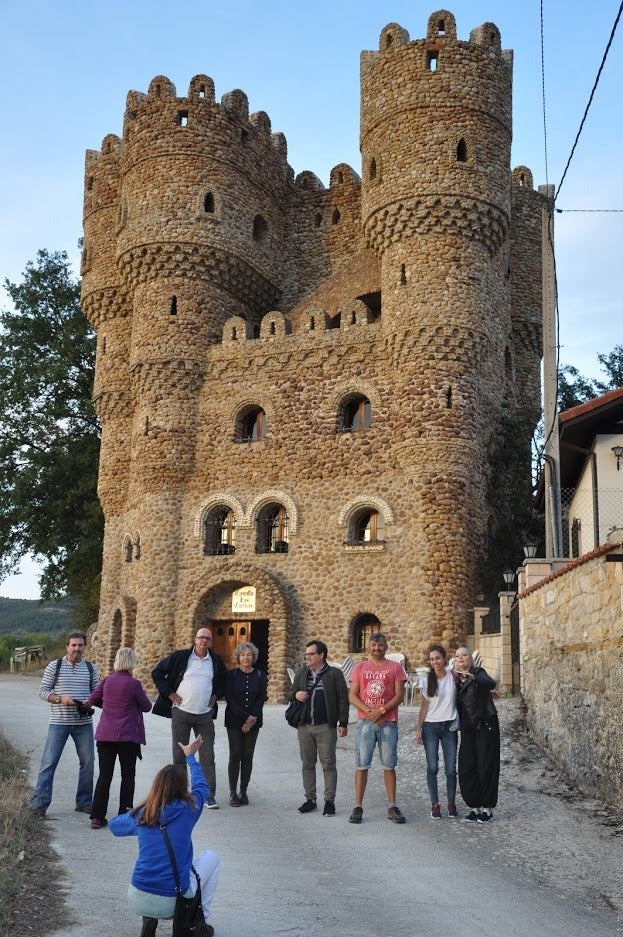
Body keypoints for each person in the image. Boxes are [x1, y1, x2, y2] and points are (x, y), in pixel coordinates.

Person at [109, 735, 220, 937]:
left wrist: (137, 814)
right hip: (173, 903)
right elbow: (202, 788)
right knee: (212, 857)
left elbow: (114, 827)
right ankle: (196, 924)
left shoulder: (144, 814)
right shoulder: (189, 809)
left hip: (138, 897)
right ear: (181, 787)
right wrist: (190, 757)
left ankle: (149, 919)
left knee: (155, 864)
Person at [152, 628, 227, 808]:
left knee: (207, 755)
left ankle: (208, 796)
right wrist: (170, 694)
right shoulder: (181, 657)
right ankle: (180, 794)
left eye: (207, 638)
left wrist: (216, 696)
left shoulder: (215, 661)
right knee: (179, 756)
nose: (203, 641)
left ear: (211, 642)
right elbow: (157, 673)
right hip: (181, 713)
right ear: (195, 639)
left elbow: (225, 682)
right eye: (200, 638)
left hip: (204, 715)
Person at [31, 630, 100, 817]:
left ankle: (84, 803)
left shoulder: (91, 668)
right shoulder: (55, 666)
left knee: (88, 763)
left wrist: (90, 702)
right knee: (48, 762)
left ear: (85, 647)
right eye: (73, 645)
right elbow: (43, 692)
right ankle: (39, 804)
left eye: (80, 645)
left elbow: (97, 694)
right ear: (67, 647)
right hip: (59, 722)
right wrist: (61, 699)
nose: (77, 648)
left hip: (83, 722)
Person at [83, 647, 152, 829]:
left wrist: (107, 704)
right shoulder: (134, 684)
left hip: (106, 735)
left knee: (104, 776)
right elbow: (146, 707)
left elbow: (92, 699)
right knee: (128, 776)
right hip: (127, 736)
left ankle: (97, 817)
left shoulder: (107, 680)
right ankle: (124, 815)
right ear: (131, 662)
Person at [348, 632, 407, 824]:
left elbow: (399, 695)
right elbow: (353, 695)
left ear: (386, 647)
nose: (376, 648)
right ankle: (358, 806)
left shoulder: (395, 668)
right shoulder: (360, 668)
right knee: (362, 764)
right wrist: (370, 713)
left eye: (380, 645)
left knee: (389, 765)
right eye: (373, 645)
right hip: (365, 722)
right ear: (368, 646)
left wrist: (381, 711)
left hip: (388, 722)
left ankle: (392, 806)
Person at [289, 639, 349, 816]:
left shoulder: (334, 674)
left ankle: (329, 801)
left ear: (321, 655)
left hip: (326, 727)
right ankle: (310, 799)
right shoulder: (301, 673)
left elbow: (342, 699)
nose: (307, 657)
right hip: (304, 727)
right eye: (306, 654)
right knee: (307, 764)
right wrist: (296, 694)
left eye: (311, 654)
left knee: (328, 765)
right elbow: (290, 693)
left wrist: (343, 722)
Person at [454, 645, 501, 823]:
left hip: (485, 723)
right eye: (458, 656)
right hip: (467, 727)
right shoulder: (455, 679)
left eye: (464, 655)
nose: (461, 658)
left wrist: (473, 677)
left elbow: (490, 683)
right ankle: (474, 805)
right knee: (467, 767)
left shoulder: (478, 672)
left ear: (470, 659)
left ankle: (487, 807)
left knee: (486, 766)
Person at [415, 644, 459, 819]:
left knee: (450, 769)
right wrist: (418, 729)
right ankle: (435, 804)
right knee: (432, 767)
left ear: (444, 658)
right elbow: (424, 707)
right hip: (430, 727)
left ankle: (451, 803)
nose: (435, 662)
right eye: (432, 659)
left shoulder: (453, 677)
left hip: (449, 726)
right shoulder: (426, 681)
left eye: (438, 658)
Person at [224, 641, 267, 806]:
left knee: (247, 756)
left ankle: (244, 791)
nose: (246, 657)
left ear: (253, 657)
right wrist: (245, 718)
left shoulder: (260, 675)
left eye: (249, 654)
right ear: (238, 657)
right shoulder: (231, 675)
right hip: (234, 721)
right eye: (243, 655)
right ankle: (233, 792)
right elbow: (229, 698)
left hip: (254, 721)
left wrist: (251, 719)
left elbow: (261, 697)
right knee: (235, 755)